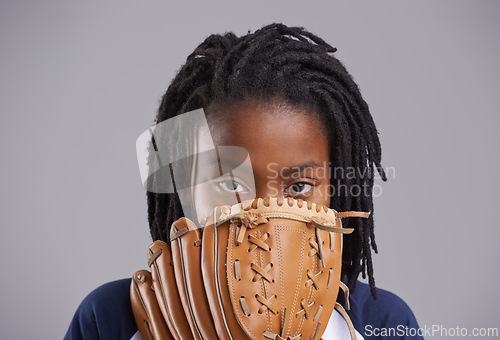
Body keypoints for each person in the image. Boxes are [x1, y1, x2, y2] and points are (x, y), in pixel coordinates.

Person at [65, 23, 422, 339]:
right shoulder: (109, 318)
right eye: (231, 185)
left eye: (298, 187)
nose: (265, 216)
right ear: (184, 190)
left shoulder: (384, 323)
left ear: (334, 192)